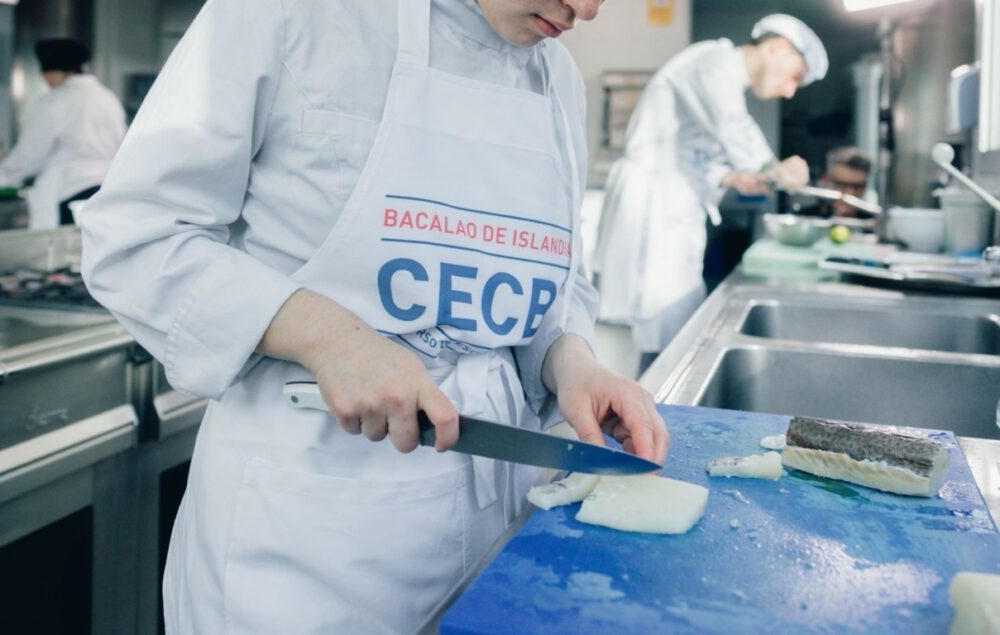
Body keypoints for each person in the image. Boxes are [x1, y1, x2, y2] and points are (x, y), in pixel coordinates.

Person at [79, 1, 670, 632]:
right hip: (308, 548)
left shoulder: (557, 78)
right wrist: (327, 337)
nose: (586, 8)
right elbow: (136, 238)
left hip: (502, 526)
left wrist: (570, 361)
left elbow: (552, 276)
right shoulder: (288, 14)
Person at [594, 14, 828, 373]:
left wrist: (730, 178)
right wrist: (776, 168)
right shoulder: (712, 62)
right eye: (795, 77)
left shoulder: (723, 80)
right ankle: (635, 416)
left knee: (669, 331)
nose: (790, 91)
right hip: (651, 213)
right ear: (778, 47)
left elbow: (690, 153)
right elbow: (732, 126)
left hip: (674, 212)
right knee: (650, 332)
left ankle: (649, 407)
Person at [0, 38, 126, 229]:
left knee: (65, 253)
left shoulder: (55, 100)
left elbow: (31, 153)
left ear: (53, 72)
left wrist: (4, 176)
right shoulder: (108, 98)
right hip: (106, 191)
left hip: (69, 191)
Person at [804, 145, 873, 218]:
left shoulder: (874, 224)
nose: (850, 193)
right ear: (826, 182)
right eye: (842, 185)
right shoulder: (806, 220)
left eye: (857, 187)